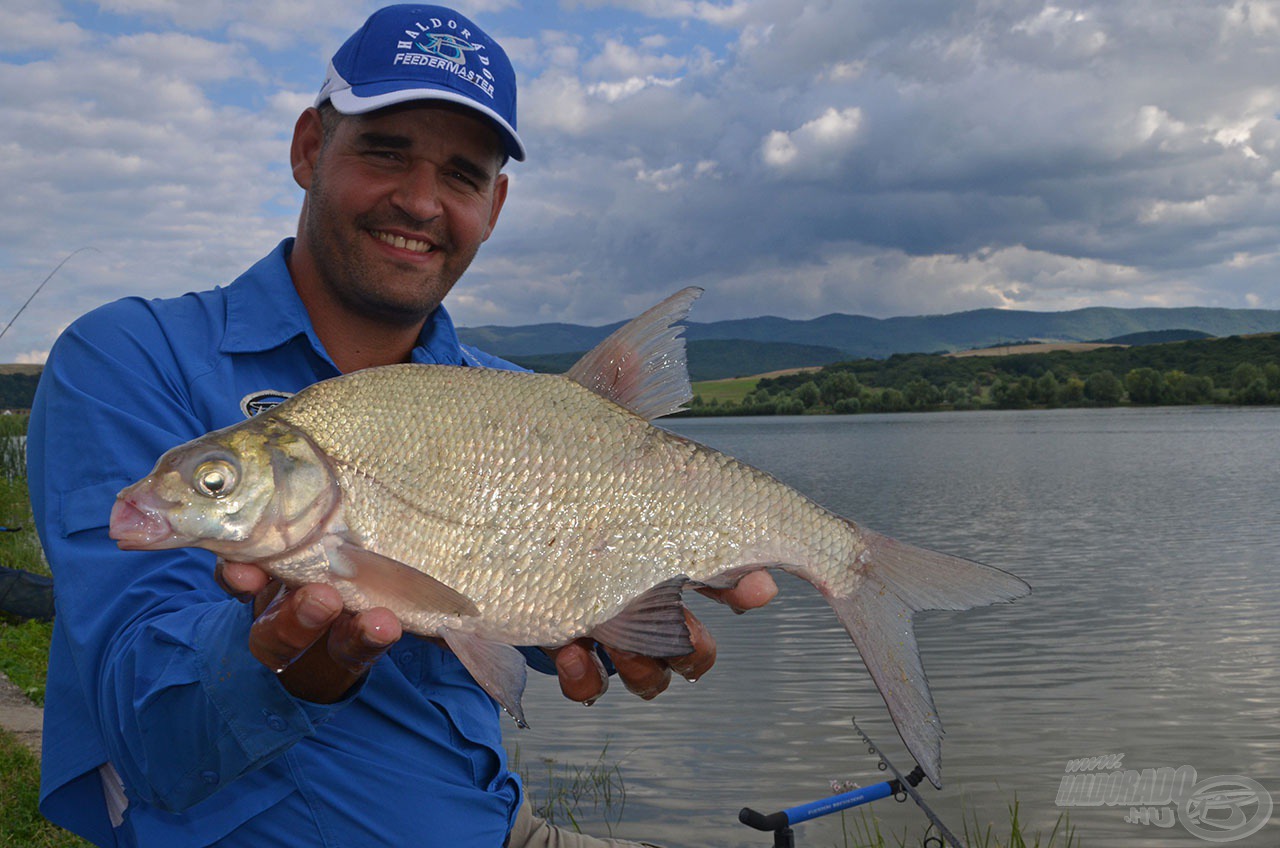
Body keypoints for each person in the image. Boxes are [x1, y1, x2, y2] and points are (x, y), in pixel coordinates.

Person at [27, 5, 777, 846]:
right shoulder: (132, 357)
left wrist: (603, 620)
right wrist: (274, 657)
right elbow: (141, 739)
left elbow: (507, 601)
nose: (420, 201)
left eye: (461, 175)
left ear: (494, 205)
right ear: (310, 148)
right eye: (386, 152)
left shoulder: (515, 403)